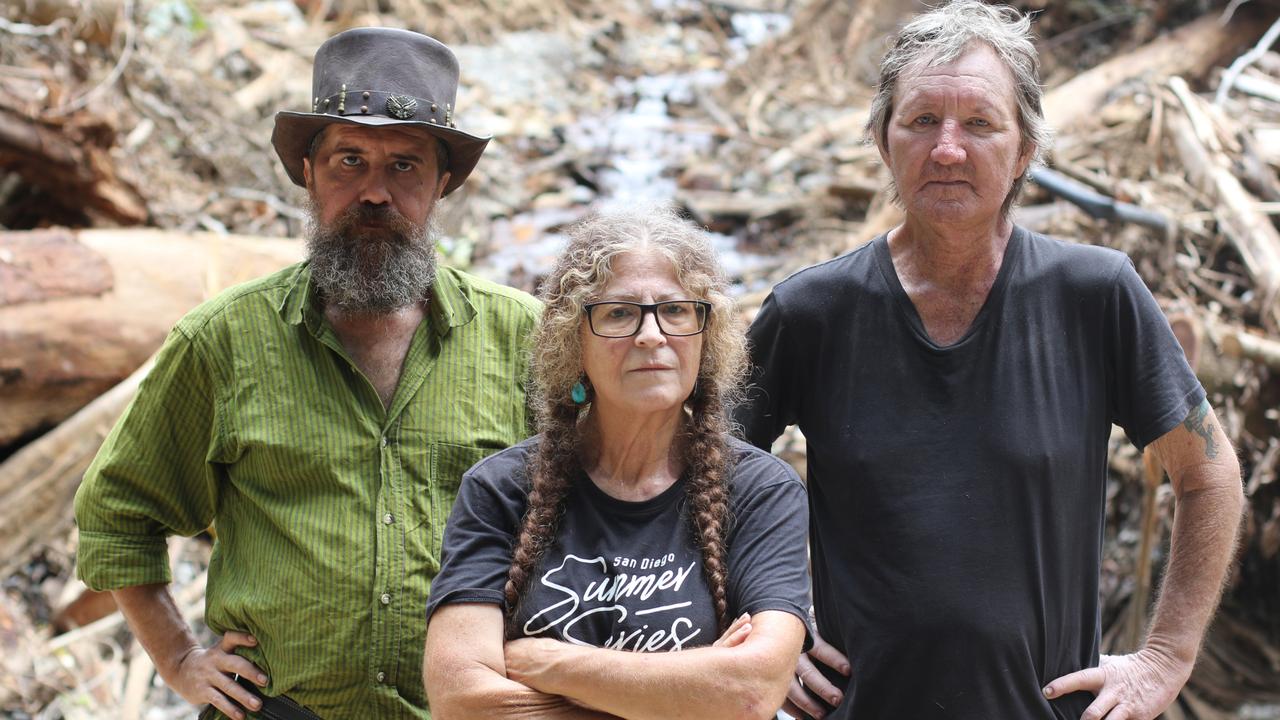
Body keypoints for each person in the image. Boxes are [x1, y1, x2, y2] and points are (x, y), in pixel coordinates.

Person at [736, 3, 1245, 719]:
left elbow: (1210, 473)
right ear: (884, 140)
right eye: (921, 121)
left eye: (979, 123)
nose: (947, 149)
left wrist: (1167, 656)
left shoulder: (1094, 295)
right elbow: (704, 473)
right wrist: (760, 626)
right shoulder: (810, 312)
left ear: (1025, 148)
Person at [73, 28, 540, 720]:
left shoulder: (521, 338)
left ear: (442, 183)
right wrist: (178, 660)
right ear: (309, 174)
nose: (374, 193)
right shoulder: (224, 341)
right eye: (350, 160)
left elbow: (604, 506)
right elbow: (118, 514)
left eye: (405, 166)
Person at [422, 206, 813, 719]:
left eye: (675, 310)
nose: (651, 335)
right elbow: (461, 701)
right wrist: (688, 694)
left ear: (705, 335)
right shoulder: (501, 488)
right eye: (618, 313)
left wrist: (545, 662)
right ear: (572, 341)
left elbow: (748, 693)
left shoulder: (761, 490)